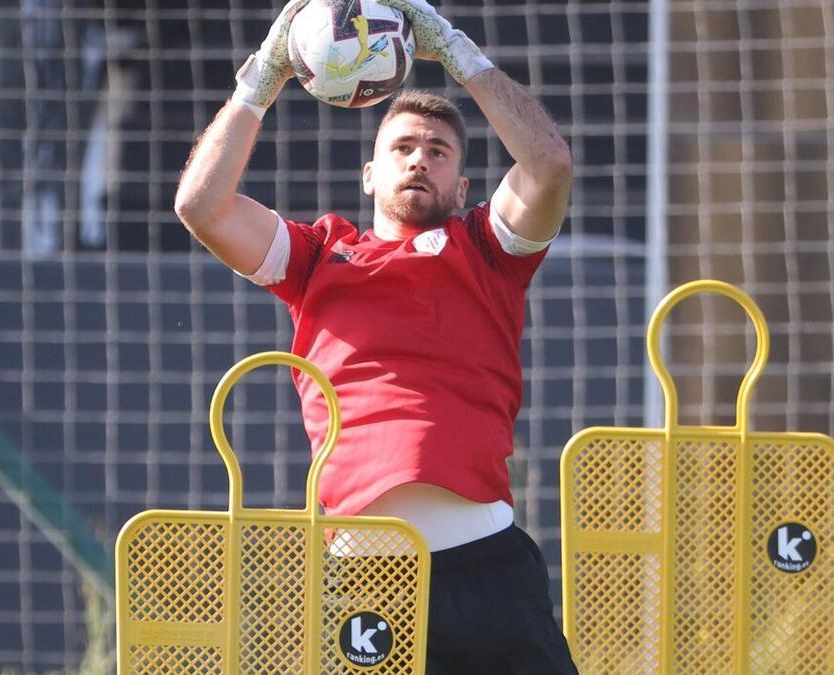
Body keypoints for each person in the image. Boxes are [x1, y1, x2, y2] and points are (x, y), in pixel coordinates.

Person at [174, 1, 577, 671]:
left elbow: (549, 165)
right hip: (366, 582)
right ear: (370, 174)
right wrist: (267, 72)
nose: (421, 160)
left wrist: (454, 50)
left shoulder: (486, 248)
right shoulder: (315, 257)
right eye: (403, 147)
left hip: (486, 569)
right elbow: (200, 205)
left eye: (439, 151)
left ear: (463, 183)